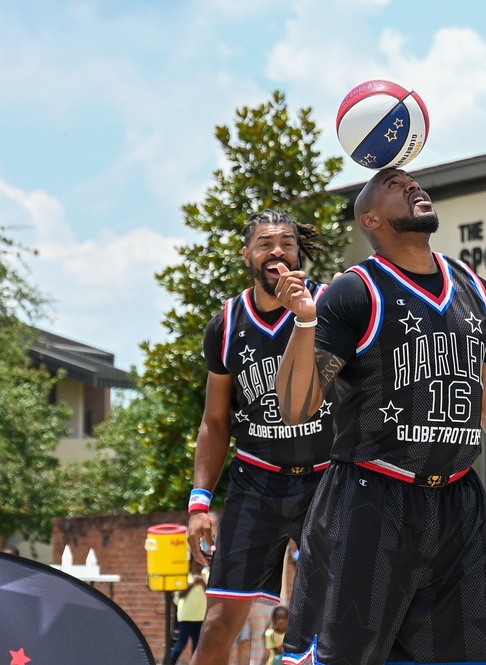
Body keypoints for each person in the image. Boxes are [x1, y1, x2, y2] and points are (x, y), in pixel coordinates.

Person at [273, 167, 486, 665]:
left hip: (459, 504)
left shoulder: (477, 292)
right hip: (370, 501)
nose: (413, 187)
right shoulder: (353, 293)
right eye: (394, 185)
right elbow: (296, 408)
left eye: (413, 181)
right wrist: (306, 321)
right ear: (369, 218)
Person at [185, 210, 338, 665]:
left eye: (287, 242)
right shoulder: (227, 324)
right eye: (266, 243)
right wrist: (198, 504)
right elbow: (215, 421)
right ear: (248, 254)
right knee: (217, 627)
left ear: (299, 252)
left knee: (339, 616)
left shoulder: (328, 305)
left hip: (327, 481)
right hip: (258, 482)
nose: (277, 251)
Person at [170, 559, 209, 665]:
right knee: (181, 643)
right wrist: (192, 584)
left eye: (201, 565)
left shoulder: (206, 577)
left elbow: (210, 593)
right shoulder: (185, 577)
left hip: (200, 617)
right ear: (191, 564)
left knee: (197, 646)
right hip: (186, 616)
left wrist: (202, 583)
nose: (199, 568)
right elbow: (180, 594)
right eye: (197, 564)